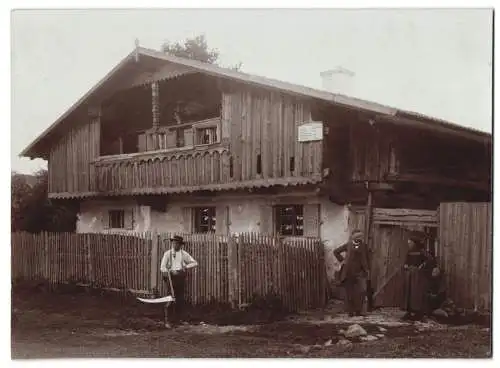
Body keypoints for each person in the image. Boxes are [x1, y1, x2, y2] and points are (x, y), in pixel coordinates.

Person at [160, 235, 198, 328]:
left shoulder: (184, 254)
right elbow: (162, 267)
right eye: (173, 243)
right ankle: (167, 321)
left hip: (180, 278)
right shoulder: (167, 254)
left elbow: (195, 263)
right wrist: (169, 271)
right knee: (171, 298)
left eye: (177, 243)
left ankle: (178, 320)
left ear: (181, 245)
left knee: (180, 299)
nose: (175, 245)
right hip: (170, 278)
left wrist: (185, 267)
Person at [334, 230, 371, 317]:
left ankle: (358, 311)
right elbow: (336, 251)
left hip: (360, 272)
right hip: (348, 272)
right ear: (353, 237)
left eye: (360, 237)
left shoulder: (364, 246)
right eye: (358, 237)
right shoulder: (348, 245)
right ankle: (350, 311)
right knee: (350, 292)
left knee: (362, 291)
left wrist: (367, 269)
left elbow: (367, 258)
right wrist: (342, 261)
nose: (360, 238)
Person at [402, 231, 435, 321]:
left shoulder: (422, 251)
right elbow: (406, 261)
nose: (409, 244)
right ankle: (409, 312)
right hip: (410, 275)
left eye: (410, 243)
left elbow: (430, 259)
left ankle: (418, 313)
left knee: (416, 295)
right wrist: (406, 265)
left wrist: (422, 266)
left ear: (414, 243)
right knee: (408, 294)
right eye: (408, 243)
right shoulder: (409, 252)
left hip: (418, 277)